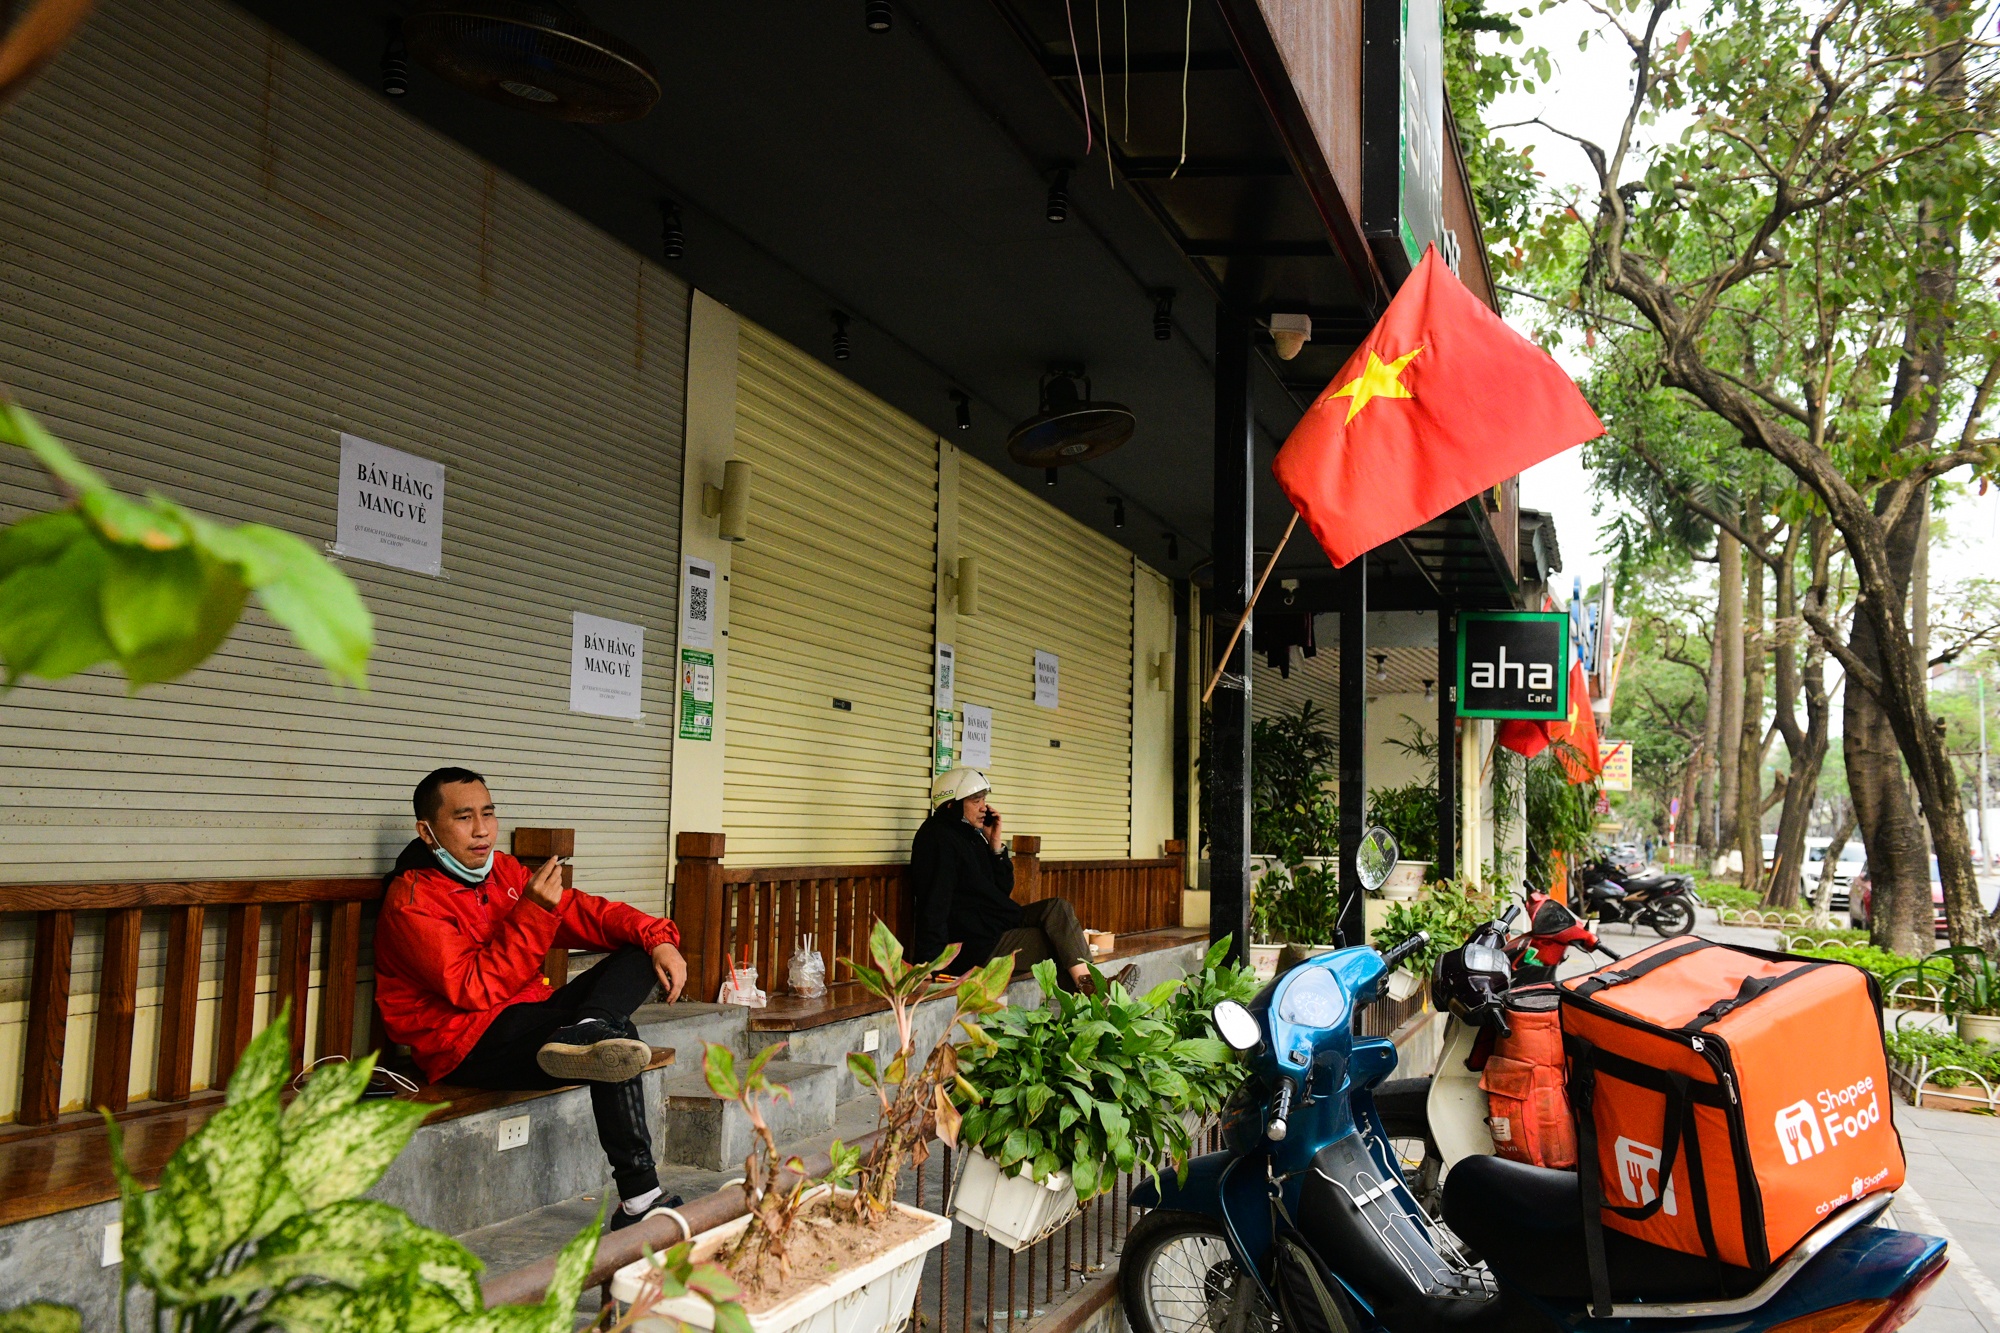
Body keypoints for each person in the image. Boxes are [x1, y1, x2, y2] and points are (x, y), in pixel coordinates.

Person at [373, 766, 688, 1231]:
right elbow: (473, 988)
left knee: (636, 955)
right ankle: (641, 1199)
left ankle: (589, 1028)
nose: (481, 830)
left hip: (525, 1019)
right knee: (617, 1038)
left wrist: (658, 937)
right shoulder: (411, 900)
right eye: (463, 818)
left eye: (488, 814)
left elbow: (590, 914)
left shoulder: (505, 872)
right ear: (427, 830)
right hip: (465, 1043)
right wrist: (535, 912)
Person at [909, 767, 1138, 994]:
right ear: (952, 804)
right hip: (978, 946)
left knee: (1058, 908)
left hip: (996, 928)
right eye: (976, 800)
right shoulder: (937, 838)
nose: (984, 807)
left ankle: (1090, 990)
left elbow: (1001, 889)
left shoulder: (969, 835)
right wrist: (932, 962)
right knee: (1058, 944)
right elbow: (934, 901)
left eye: (984, 799)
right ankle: (1092, 991)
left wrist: (995, 845)